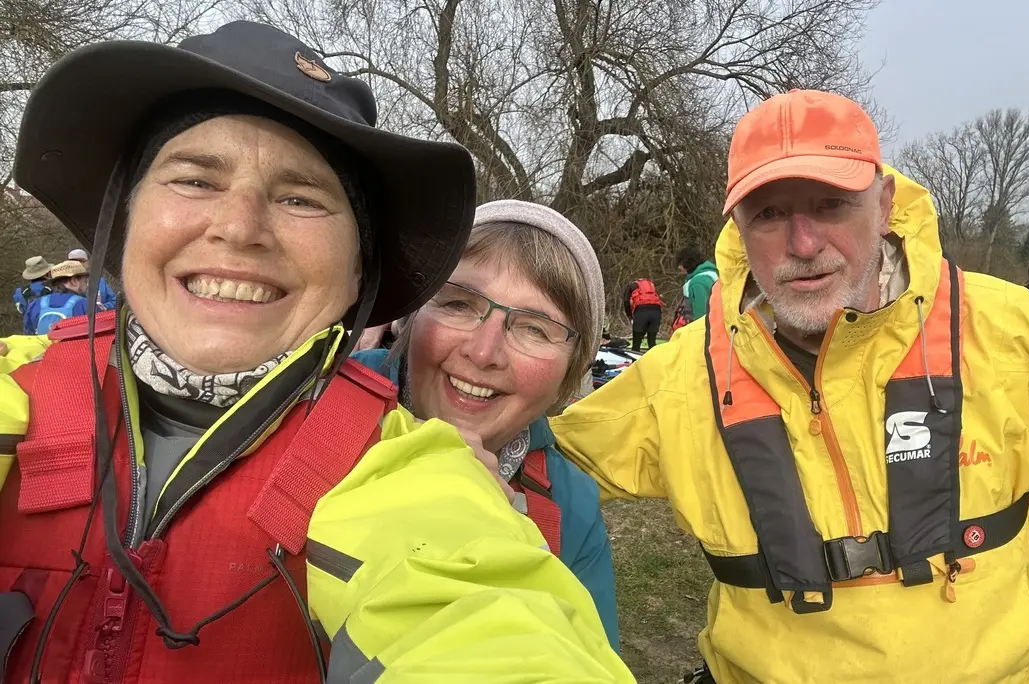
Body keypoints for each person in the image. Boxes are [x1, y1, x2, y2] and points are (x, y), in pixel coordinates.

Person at [0, 21, 631, 683]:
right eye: (194, 180)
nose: (239, 227)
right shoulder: (20, 389)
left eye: (301, 197)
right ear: (122, 219)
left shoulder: (401, 468)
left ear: (359, 272)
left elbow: (488, 630)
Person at [550, 89, 1029, 683]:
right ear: (738, 228)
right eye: (770, 212)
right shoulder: (683, 373)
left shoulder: (1005, 333)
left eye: (831, 204)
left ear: (884, 202)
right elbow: (532, 467)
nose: (802, 243)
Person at [352, 199, 619, 649]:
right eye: (458, 303)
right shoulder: (305, 408)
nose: (483, 352)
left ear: (568, 379)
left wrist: (509, 541)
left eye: (535, 329)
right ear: (410, 320)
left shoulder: (568, 509)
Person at [22, 259, 89, 334]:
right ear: (74, 280)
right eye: (84, 280)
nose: (86, 284)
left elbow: (28, 336)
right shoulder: (86, 305)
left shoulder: (33, 305)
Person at [677, 245, 719, 323]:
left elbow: (701, 313)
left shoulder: (697, 283)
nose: (679, 267)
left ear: (689, 262)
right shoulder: (711, 274)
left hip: (701, 328)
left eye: (681, 263)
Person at [622, 278, 663, 351]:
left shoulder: (631, 286)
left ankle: (635, 361)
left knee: (636, 342)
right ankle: (653, 361)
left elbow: (626, 302)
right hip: (656, 311)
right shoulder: (651, 285)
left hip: (641, 312)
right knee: (652, 342)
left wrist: (630, 316)